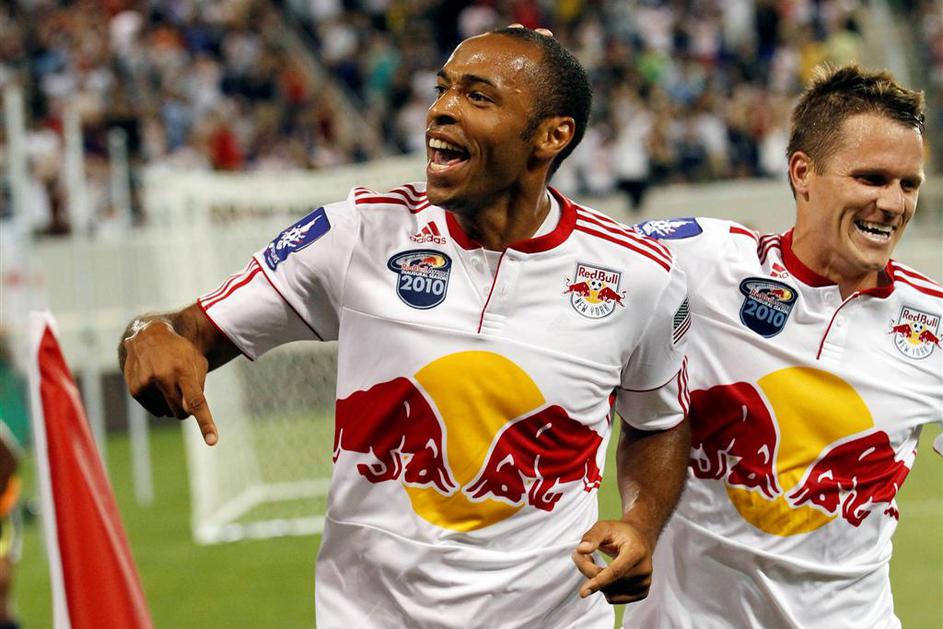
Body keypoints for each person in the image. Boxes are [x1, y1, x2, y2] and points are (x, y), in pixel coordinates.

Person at [120, 28, 693, 627]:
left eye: (478, 96)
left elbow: (659, 423)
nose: (441, 109)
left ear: (552, 136)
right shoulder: (355, 236)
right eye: (442, 89)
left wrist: (640, 523)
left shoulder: (640, 276)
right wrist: (148, 338)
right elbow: (185, 331)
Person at [625, 64, 941, 628]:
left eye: (908, 184)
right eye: (871, 179)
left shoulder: (932, 323)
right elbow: (573, 253)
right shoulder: (701, 262)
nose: (893, 203)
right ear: (802, 173)